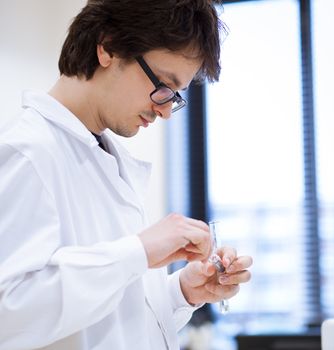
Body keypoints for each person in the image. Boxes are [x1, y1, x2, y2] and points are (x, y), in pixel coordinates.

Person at [0, 1, 253, 349]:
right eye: (163, 84)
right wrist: (138, 252)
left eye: (174, 95)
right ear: (108, 47)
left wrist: (181, 292)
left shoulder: (105, 156)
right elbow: (8, 313)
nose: (166, 111)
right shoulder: (27, 152)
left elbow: (110, 315)